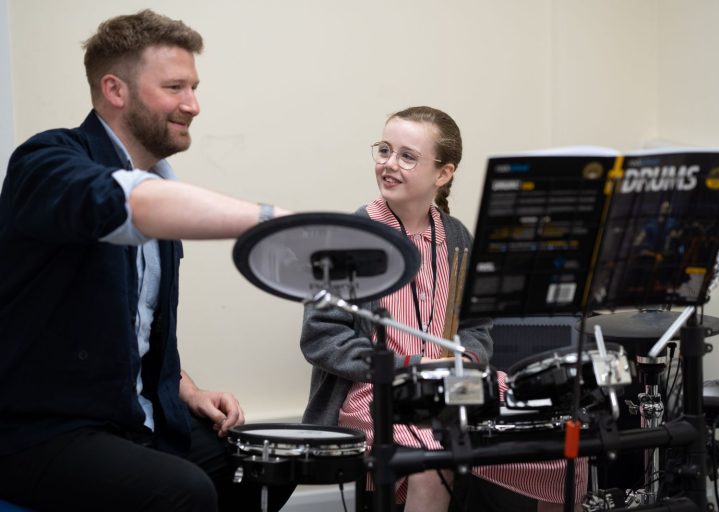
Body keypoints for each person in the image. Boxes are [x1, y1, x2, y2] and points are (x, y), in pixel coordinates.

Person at [0, 10, 293, 512]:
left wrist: (187, 388)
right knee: (184, 492)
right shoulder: (45, 162)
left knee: (273, 465)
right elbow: (126, 202)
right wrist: (278, 221)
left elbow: (131, 325)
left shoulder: (160, 183)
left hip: (132, 418)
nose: (194, 105)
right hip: (39, 431)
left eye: (194, 87)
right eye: (175, 87)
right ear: (116, 90)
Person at [300, 106, 586, 512]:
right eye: (384, 150)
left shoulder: (457, 237)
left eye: (407, 156)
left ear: (443, 173)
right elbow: (321, 338)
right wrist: (409, 366)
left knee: (563, 438)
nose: (389, 164)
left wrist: (467, 357)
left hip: (454, 384)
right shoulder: (349, 237)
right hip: (375, 392)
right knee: (434, 460)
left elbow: (476, 326)